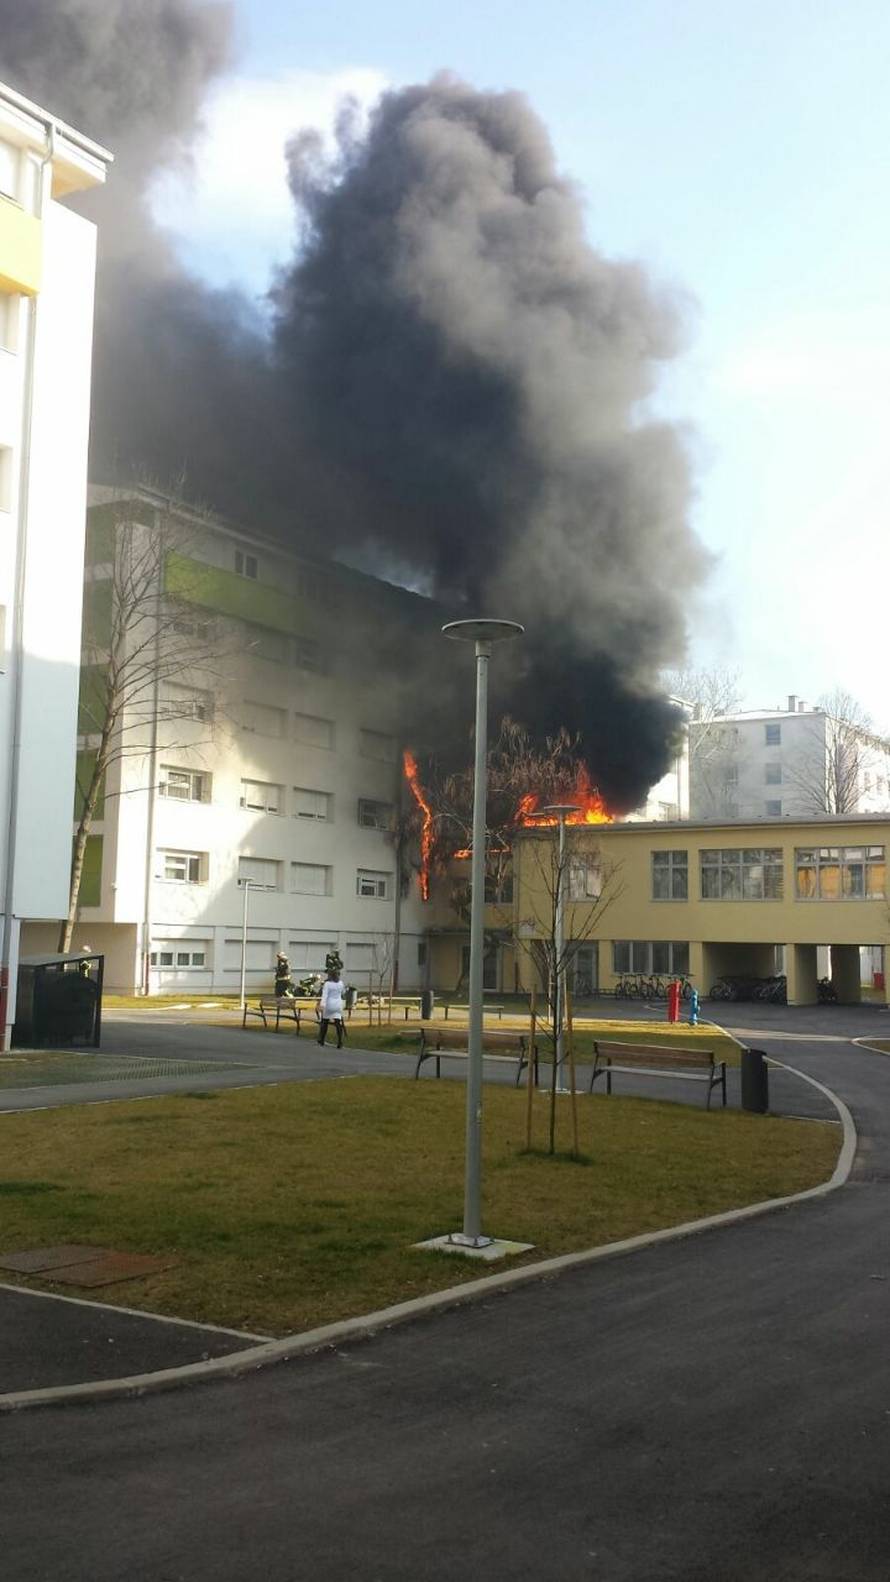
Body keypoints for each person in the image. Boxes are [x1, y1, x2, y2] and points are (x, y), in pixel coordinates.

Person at [317, 968, 346, 1048]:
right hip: (338, 1005)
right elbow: (343, 993)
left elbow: (325, 995)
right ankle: (340, 1042)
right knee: (338, 1023)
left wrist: (322, 1005)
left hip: (329, 1004)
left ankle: (322, 1040)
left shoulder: (327, 984)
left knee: (325, 1022)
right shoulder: (341, 983)